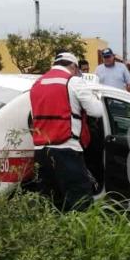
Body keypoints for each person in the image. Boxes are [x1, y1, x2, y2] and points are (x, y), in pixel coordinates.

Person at [29, 52, 103, 211]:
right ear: (73, 67)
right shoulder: (73, 81)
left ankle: (55, 234)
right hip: (66, 149)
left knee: (50, 201)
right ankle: (79, 235)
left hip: (41, 152)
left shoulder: (38, 83)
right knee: (80, 200)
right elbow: (97, 111)